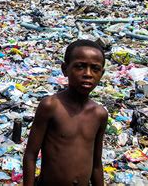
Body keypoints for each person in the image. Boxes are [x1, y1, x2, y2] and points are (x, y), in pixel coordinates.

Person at [23, 39, 108, 186]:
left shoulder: (99, 114)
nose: (88, 74)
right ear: (65, 69)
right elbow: (31, 155)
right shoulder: (51, 106)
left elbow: (96, 164)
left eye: (95, 69)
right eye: (80, 67)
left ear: (102, 73)